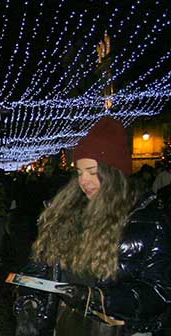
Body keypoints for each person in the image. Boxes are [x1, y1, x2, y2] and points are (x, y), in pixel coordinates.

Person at [14, 116, 171, 336]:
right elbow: (39, 268)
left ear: (113, 172)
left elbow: (158, 292)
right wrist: (31, 303)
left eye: (92, 172)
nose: (84, 180)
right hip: (68, 325)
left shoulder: (147, 221)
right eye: (79, 173)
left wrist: (99, 299)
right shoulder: (64, 215)